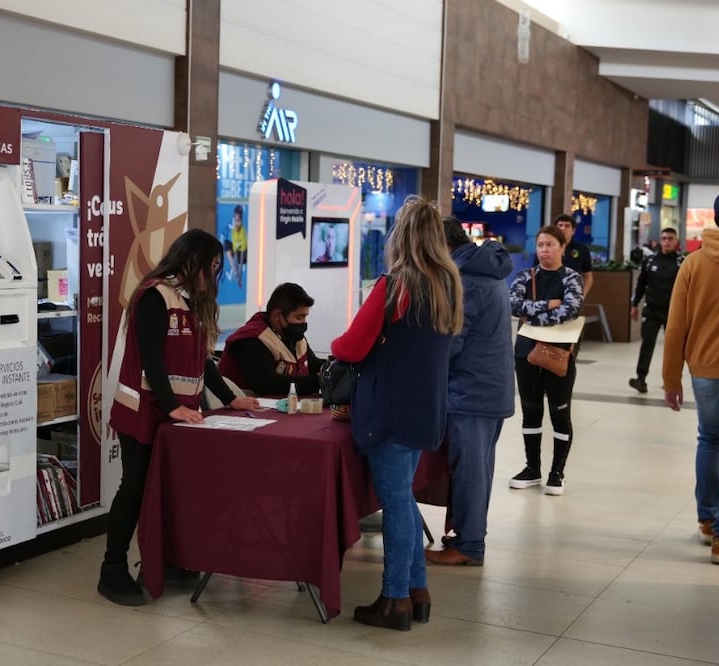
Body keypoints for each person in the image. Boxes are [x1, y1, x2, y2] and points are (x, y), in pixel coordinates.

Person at [100, 229, 261, 605]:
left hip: (177, 416)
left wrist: (229, 399)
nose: (215, 273)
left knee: (170, 490)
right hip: (143, 412)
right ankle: (112, 570)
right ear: (192, 261)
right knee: (135, 488)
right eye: (213, 265)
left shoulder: (191, 302)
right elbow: (152, 357)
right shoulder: (153, 296)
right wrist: (172, 406)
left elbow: (203, 360)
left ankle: (166, 561)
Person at [331, 196, 463, 631]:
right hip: (426, 409)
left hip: (389, 409)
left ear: (401, 236)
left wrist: (334, 348)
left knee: (395, 502)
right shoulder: (448, 284)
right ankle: (417, 591)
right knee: (403, 498)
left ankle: (394, 600)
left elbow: (350, 346)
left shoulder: (397, 285)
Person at [425, 217, 514, 566]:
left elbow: (452, 343)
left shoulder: (467, 282)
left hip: (471, 391)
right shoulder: (486, 272)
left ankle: (470, 545)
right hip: (489, 389)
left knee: (471, 471)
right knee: (479, 469)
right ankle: (468, 534)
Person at [663, 184, 719, 564]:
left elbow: (675, 326)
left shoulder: (693, 262)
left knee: (710, 440)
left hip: (705, 371)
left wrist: (671, 378)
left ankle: (708, 520)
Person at [509, 225, 584, 495]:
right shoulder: (524, 276)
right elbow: (514, 305)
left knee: (559, 414)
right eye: (540, 245)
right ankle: (532, 468)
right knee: (531, 412)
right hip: (525, 353)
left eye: (550, 244)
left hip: (558, 355)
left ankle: (557, 472)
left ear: (563, 247)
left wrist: (535, 311)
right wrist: (551, 304)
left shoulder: (571, 278)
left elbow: (571, 309)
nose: (544, 250)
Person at [218, 282, 324, 396]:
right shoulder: (251, 339)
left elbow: (312, 364)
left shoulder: (293, 336)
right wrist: (319, 381)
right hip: (239, 410)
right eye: (299, 317)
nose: (304, 323)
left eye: (305, 317)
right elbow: (267, 384)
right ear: (278, 316)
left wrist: (335, 367)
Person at [628, 227, 683, 393]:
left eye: (670, 238)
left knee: (673, 347)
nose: (666, 241)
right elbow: (641, 284)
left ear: (676, 242)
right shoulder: (650, 261)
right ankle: (641, 379)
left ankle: (671, 380)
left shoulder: (682, 262)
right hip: (651, 310)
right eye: (664, 238)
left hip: (673, 311)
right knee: (647, 343)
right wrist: (634, 305)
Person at [554, 214, 594, 299]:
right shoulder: (547, 248)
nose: (563, 228)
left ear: (573, 231)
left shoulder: (582, 249)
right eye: (560, 225)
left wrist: (582, 295)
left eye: (567, 226)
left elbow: (588, 276)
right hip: (549, 296)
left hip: (573, 295)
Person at [230, 205, 247, 288]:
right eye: (236, 221)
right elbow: (234, 242)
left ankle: (240, 280)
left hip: (243, 251)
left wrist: (239, 245)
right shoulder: (233, 231)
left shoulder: (243, 230)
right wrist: (236, 246)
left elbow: (243, 243)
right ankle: (238, 278)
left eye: (238, 221)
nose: (237, 223)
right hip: (236, 250)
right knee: (236, 264)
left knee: (240, 267)